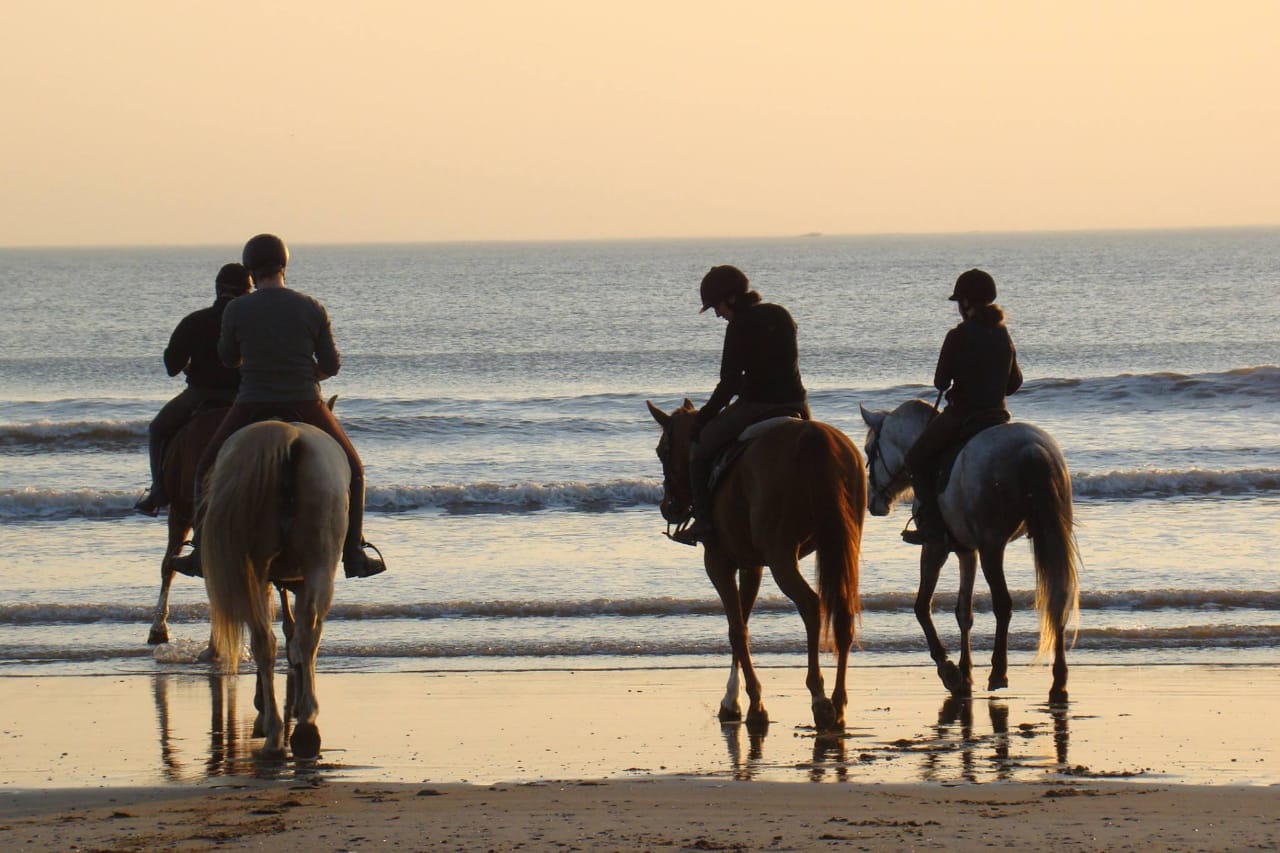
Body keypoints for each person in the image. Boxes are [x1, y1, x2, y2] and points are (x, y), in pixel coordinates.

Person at [169, 234, 386, 579]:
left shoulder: (238, 308)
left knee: (205, 467)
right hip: (305, 401)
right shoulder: (311, 307)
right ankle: (354, 551)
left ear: (251, 272)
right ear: (284, 266)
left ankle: (200, 550)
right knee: (355, 470)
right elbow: (331, 363)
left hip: (252, 401)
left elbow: (228, 358)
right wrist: (305, 374)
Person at [672, 265, 810, 546]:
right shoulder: (781, 314)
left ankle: (703, 522)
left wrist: (704, 419)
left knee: (698, 451)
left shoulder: (739, 326)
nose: (718, 314)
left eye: (717, 307)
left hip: (758, 405)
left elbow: (730, 384)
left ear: (731, 298)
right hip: (797, 403)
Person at [901, 268, 1023, 545]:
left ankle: (932, 525)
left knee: (915, 459)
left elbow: (940, 382)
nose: (958, 308)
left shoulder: (958, 335)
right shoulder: (1004, 334)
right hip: (998, 417)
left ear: (966, 303)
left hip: (964, 416)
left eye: (959, 302)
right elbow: (1014, 383)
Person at [134, 263, 250, 517]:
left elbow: (172, 367)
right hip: (243, 399)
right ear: (247, 292)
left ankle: (159, 492)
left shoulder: (194, 321)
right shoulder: (252, 324)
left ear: (217, 289)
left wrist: (188, 362)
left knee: (157, 430)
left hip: (200, 395)